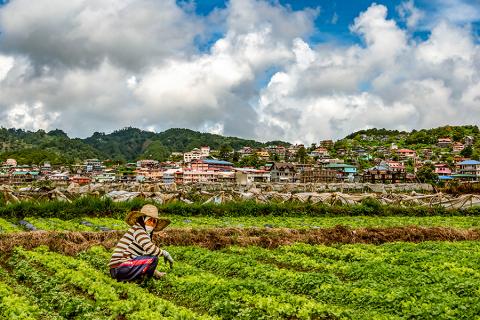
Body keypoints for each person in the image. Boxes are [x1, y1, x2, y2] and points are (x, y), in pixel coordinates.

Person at [109, 204, 174, 282]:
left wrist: (156, 272)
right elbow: (150, 249)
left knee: (150, 257)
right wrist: (164, 253)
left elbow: (145, 255)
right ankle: (143, 281)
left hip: (120, 268)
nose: (152, 223)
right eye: (149, 220)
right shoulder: (139, 230)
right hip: (120, 268)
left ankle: (136, 279)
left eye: (154, 221)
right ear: (143, 220)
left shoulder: (142, 232)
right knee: (154, 259)